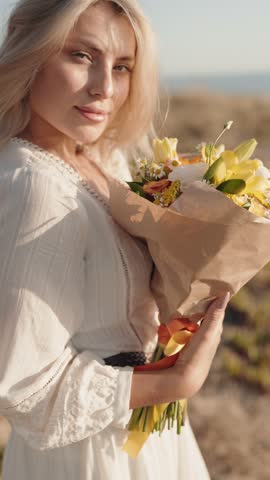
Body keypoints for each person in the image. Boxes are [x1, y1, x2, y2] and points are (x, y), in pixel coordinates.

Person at [0, 1, 230, 478]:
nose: (105, 87)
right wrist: (173, 384)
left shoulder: (103, 159)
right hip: (90, 457)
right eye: (81, 56)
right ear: (31, 54)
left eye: (122, 66)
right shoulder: (35, 188)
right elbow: (21, 386)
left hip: (144, 438)